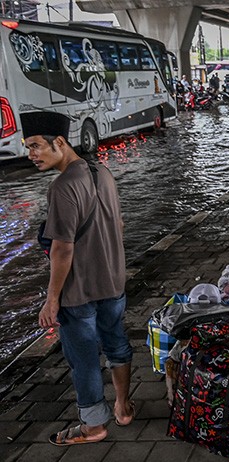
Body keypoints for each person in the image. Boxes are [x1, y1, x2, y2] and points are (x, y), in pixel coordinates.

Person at [23, 112, 133, 446]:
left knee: (83, 359)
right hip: (114, 282)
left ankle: (93, 427)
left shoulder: (62, 187)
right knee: (116, 344)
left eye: (36, 146)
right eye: (28, 148)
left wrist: (52, 299)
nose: (31, 155)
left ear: (60, 142)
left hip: (79, 291)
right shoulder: (103, 171)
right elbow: (119, 226)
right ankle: (124, 407)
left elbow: (61, 250)